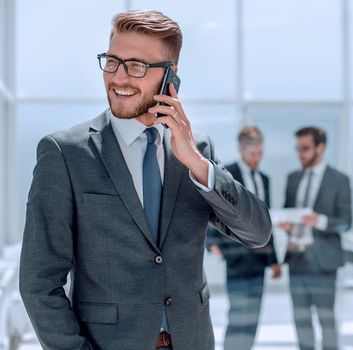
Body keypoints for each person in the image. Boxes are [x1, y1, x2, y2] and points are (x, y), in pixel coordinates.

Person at [19, 10, 272, 350]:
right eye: (112, 62)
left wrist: (197, 163)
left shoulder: (197, 150)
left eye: (137, 66)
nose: (119, 77)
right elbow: (39, 281)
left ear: (171, 74)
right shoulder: (64, 153)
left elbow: (257, 232)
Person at [207, 126, 281, 350]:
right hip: (236, 258)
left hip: (260, 260)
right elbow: (212, 209)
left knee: (253, 316)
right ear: (241, 151)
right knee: (238, 314)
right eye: (252, 154)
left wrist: (275, 259)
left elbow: (266, 222)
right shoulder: (227, 173)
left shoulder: (264, 179)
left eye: (260, 153)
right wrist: (211, 243)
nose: (256, 159)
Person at [280, 126, 351, 350]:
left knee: (326, 319)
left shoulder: (339, 180)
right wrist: (287, 225)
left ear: (321, 147)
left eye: (306, 148)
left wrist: (319, 220)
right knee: (301, 321)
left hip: (324, 262)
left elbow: (346, 221)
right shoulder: (293, 178)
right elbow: (286, 211)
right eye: (298, 149)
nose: (301, 154)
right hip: (297, 259)